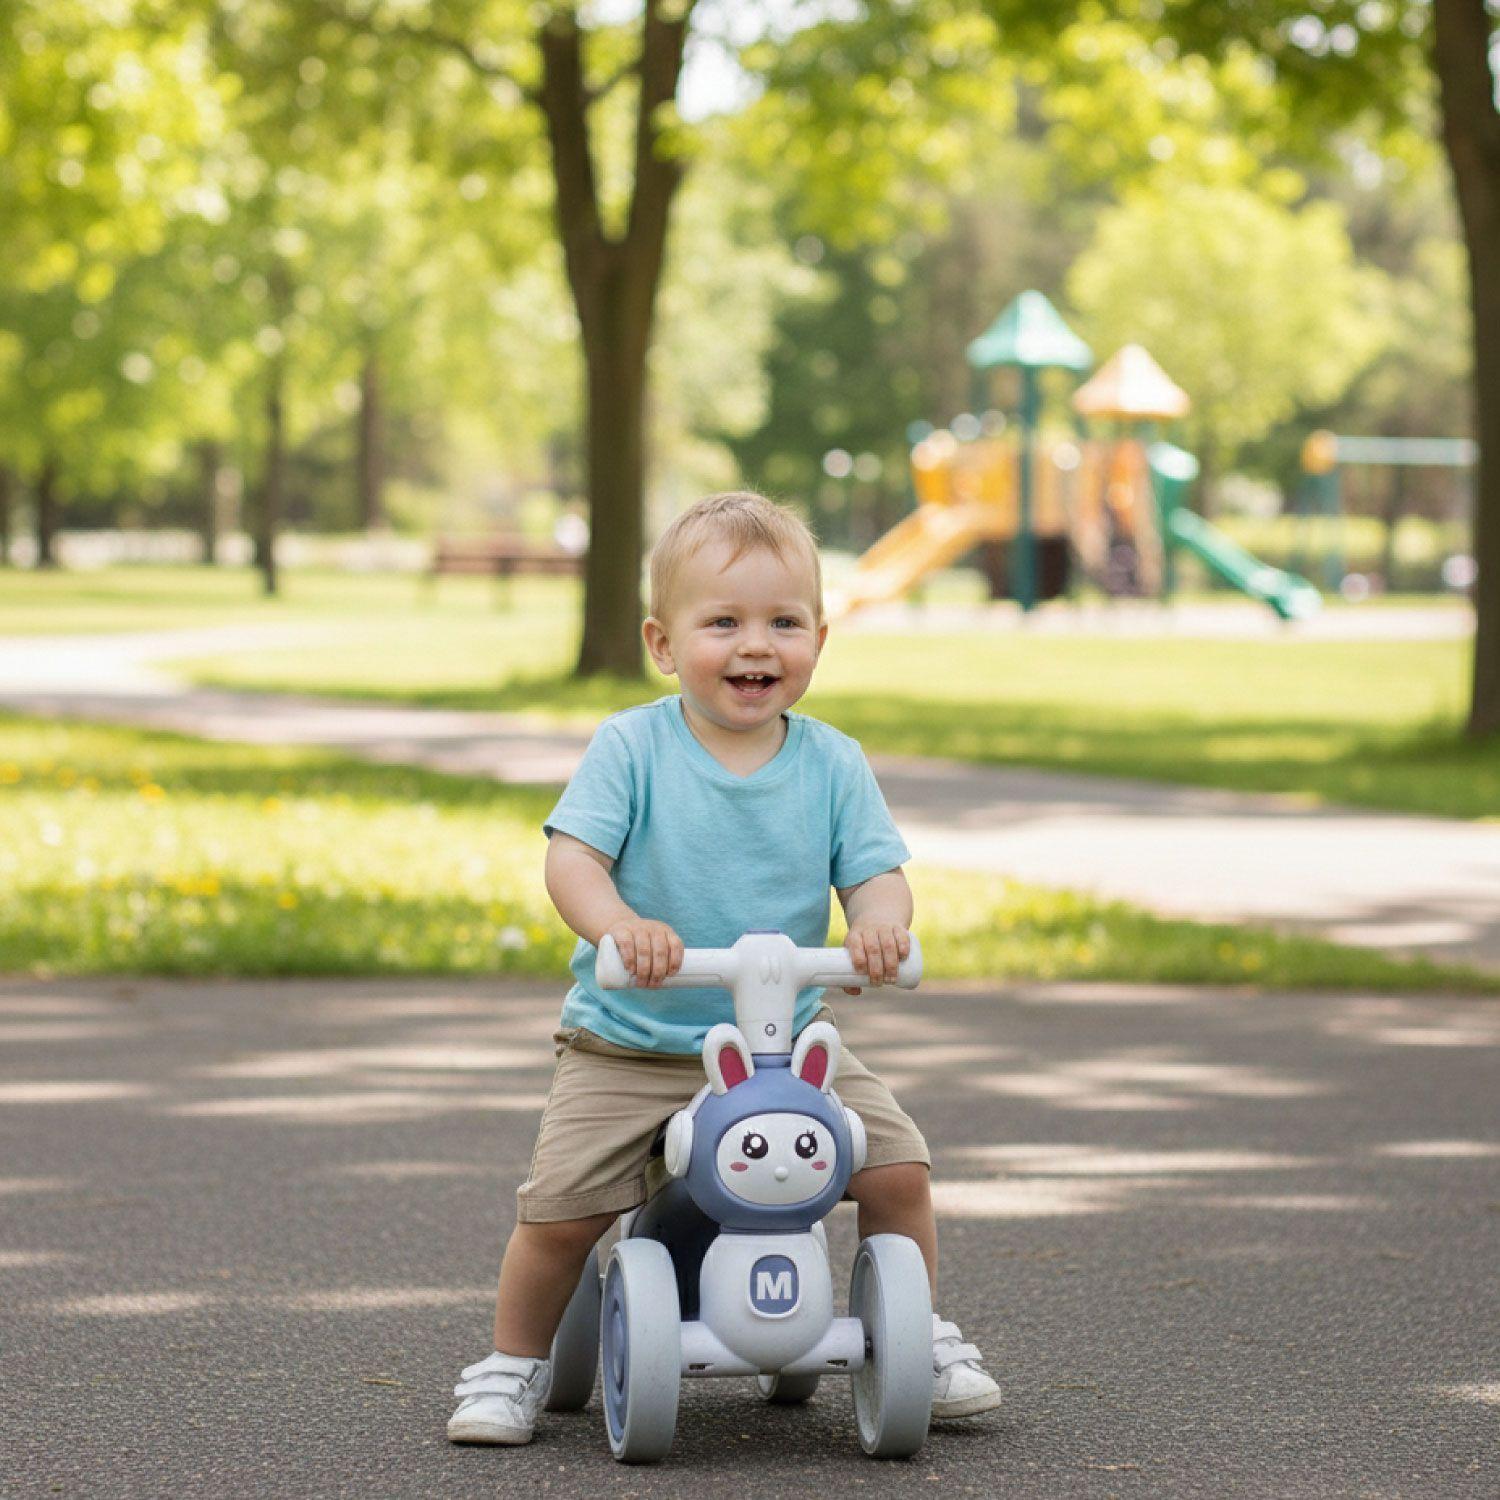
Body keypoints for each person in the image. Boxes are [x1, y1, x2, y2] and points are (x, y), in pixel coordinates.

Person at [449, 491, 1001, 1446]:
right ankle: (510, 1364)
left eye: (784, 622)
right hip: (632, 1044)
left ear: (819, 640)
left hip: (785, 1051)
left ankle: (918, 1330)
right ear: (664, 643)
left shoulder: (833, 763)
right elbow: (572, 859)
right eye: (725, 622)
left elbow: (876, 875)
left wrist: (876, 926)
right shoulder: (634, 746)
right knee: (562, 1211)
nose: (757, 646)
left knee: (899, 1167)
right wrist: (620, 925)